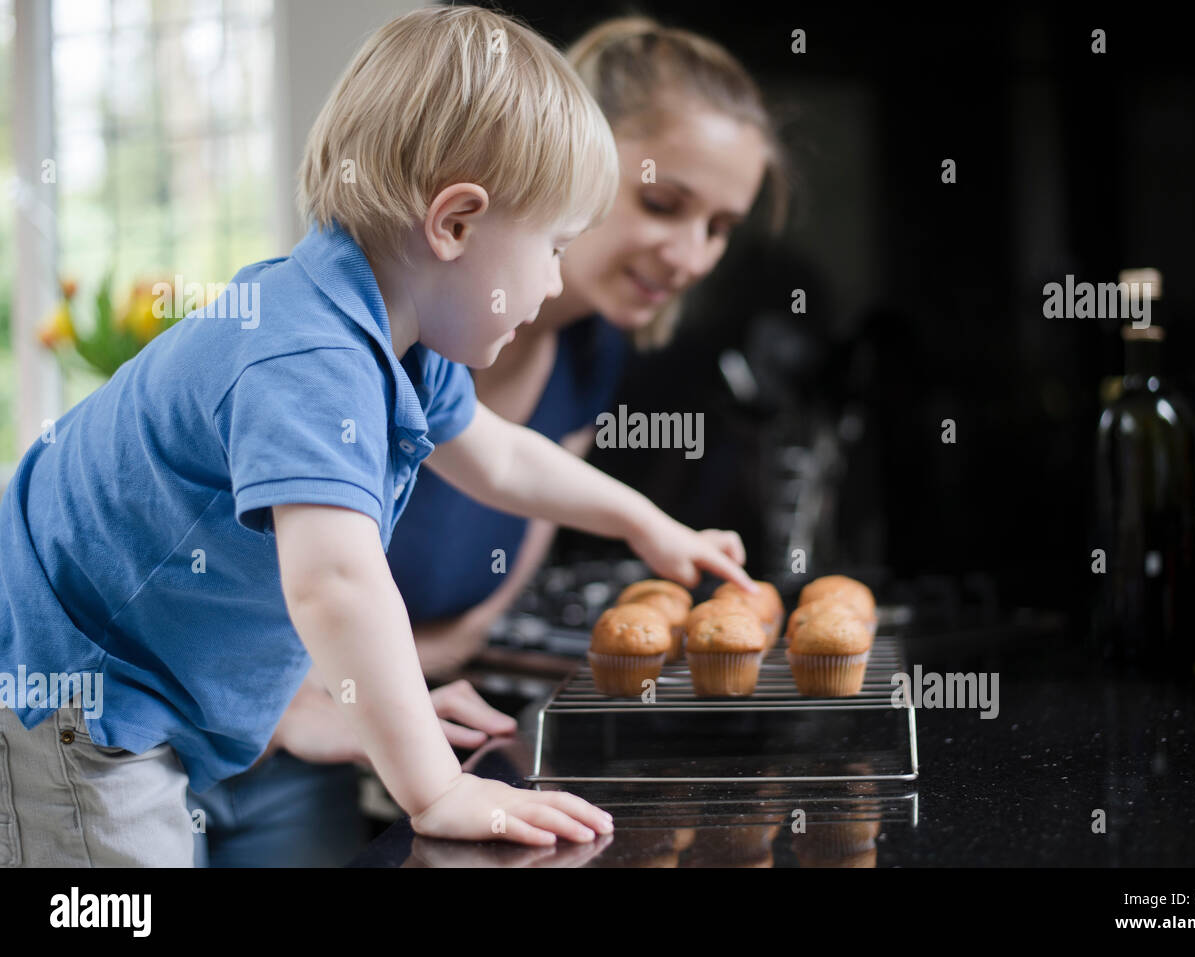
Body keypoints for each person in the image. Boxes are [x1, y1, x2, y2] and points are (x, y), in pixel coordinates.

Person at [0, 6, 755, 868]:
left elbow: (500, 455)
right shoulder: (310, 354)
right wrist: (436, 786)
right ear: (456, 223)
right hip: (77, 693)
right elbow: (336, 582)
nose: (553, 283)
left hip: (137, 690)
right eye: (551, 247)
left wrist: (644, 522)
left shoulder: (393, 340)